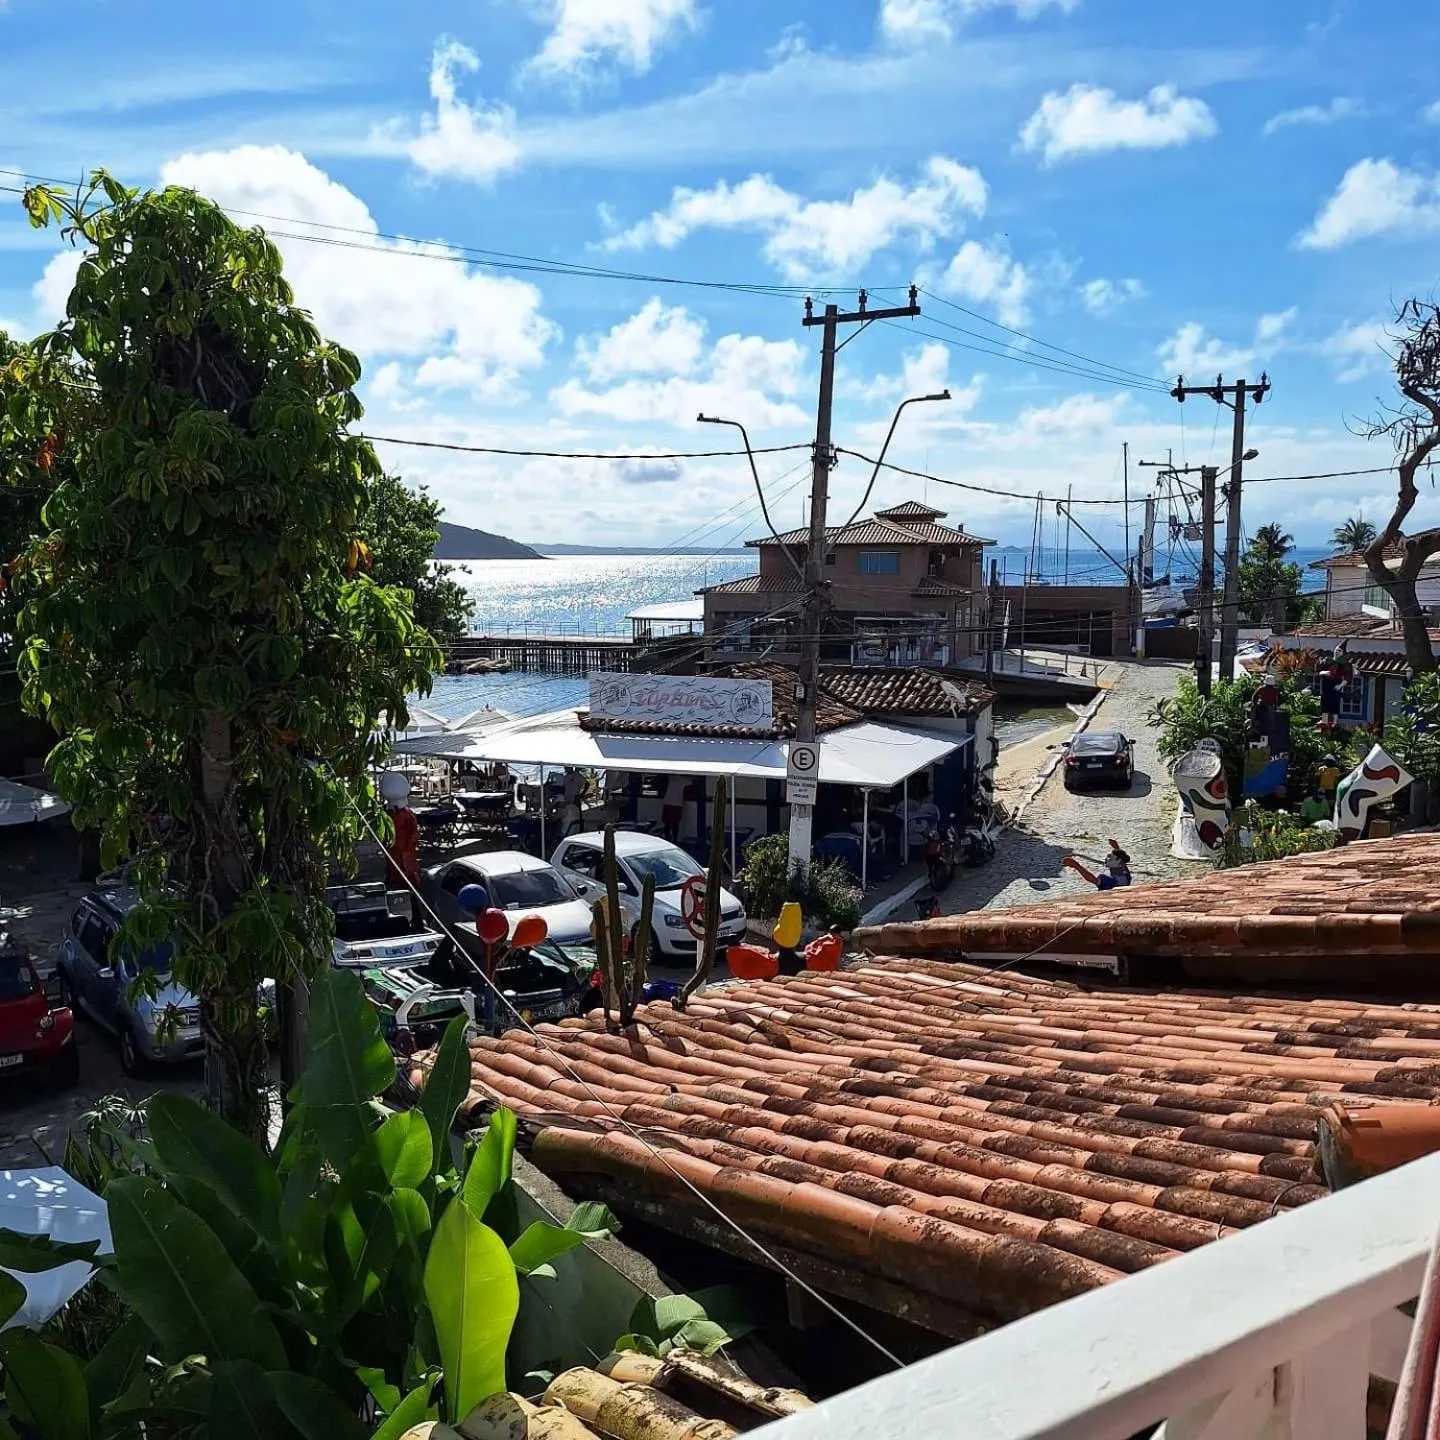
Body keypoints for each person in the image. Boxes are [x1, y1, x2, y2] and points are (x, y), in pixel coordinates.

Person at [379, 772, 421, 890]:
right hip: (399, 850)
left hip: (400, 850)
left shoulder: (395, 815)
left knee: (401, 872)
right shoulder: (404, 815)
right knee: (399, 872)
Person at [1063, 838, 1131, 891]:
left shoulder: (1107, 879)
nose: (1106, 859)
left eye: (1110, 859)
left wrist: (1076, 866)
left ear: (1119, 862)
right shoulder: (1125, 875)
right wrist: (1116, 848)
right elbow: (1123, 863)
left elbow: (1093, 880)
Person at [661, 774, 688, 841]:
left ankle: (667, 839)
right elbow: (693, 780)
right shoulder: (684, 780)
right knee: (675, 825)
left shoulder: (671, 777)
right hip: (677, 804)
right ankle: (675, 840)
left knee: (667, 824)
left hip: (667, 802)